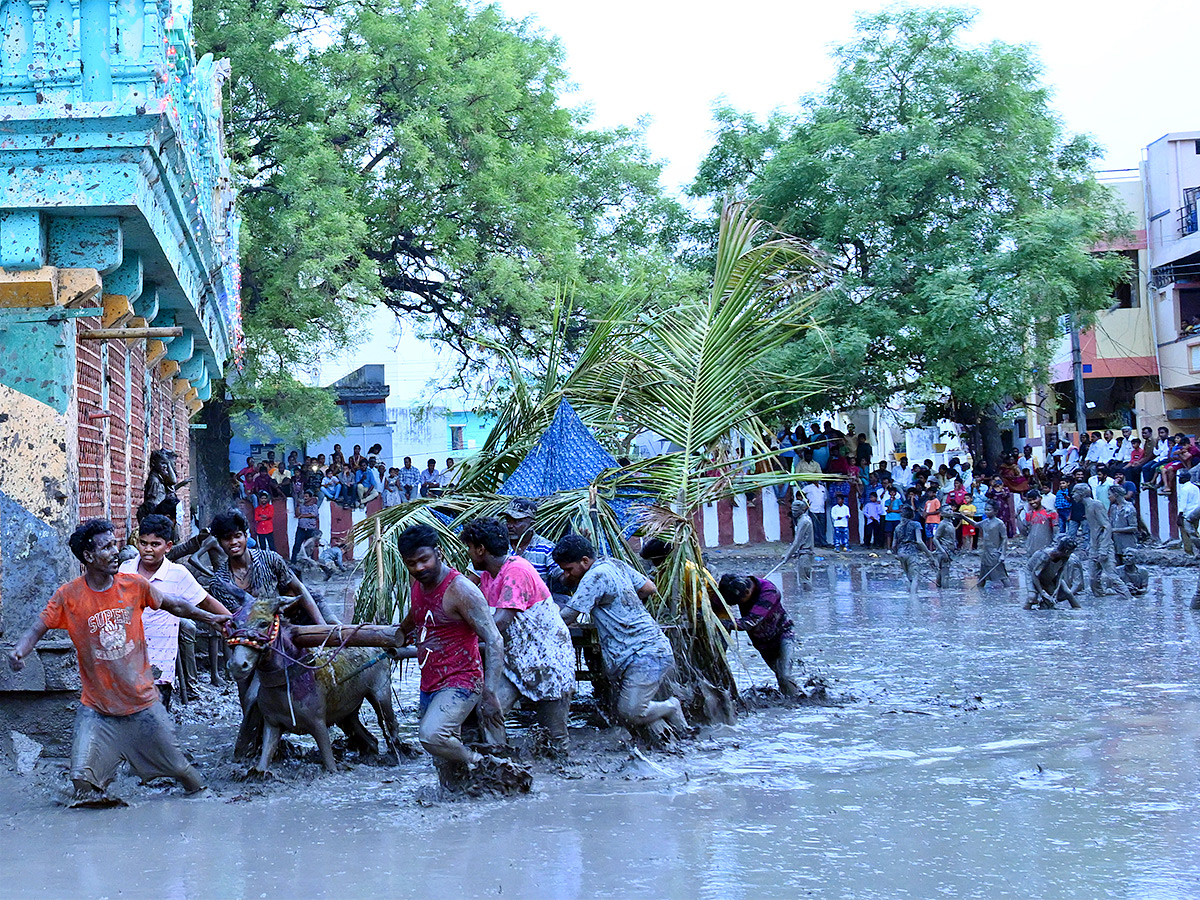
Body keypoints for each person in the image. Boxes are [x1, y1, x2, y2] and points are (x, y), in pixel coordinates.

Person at [7, 519, 231, 804]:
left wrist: (211, 618)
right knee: (82, 782)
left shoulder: (134, 585)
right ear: (88, 557)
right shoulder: (69, 596)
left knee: (183, 773)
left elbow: (174, 604)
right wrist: (20, 651)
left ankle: (206, 807)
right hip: (97, 708)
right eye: (108, 547)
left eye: (115, 544)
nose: (117, 552)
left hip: (143, 703)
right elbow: (38, 627)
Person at [395, 524, 525, 789]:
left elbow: (494, 639)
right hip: (430, 681)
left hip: (462, 681)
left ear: (439, 553)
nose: (419, 568)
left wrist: (490, 693)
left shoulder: (461, 590)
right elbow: (416, 614)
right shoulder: (418, 584)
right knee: (442, 761)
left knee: (431, 736)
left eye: (424, 560)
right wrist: (399, 633)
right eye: (412, 563)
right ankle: (464, 801)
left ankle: (482, 762)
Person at [553, 535, 688, 738]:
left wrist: (539, 620)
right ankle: (684, 737)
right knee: (638, 712)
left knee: (631, 711)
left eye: (569, 569)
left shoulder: (595, 576)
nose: (567, 575)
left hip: (643, 654)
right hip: (650, 648)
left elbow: (568, 616)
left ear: (584, 561)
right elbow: (648, 588)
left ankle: (672, 706)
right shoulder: (614, 563)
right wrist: (622, 606)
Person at [460, 517, 575, 757]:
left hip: (547, 658)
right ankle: (499, 760)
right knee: (490, 707)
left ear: (481, 549)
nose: (469, 554)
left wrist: (461, 638)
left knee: (555, 735)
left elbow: (500, 622)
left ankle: (564, 777)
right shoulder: (488, 575)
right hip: (517, 659)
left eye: (470, 548)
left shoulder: (516, 570)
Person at [117, 515, 232, 709]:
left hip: (159, 668)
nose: (148, 549)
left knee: (155, 724)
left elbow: (206, 602)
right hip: (127, 663)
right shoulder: (126, 569)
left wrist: (234, 623)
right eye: (143, 543)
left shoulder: (177, 574)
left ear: (168, 546)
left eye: (155, 544)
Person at [717, 574, 799, 696]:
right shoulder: (734, 585)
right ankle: (790, 699)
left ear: (746, 592)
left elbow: (748, 623)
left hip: (783, 634)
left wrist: (719, 622)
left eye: (738, 602)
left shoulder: (769, 592)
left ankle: (796, 704)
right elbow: (717, 600)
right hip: (762, 642)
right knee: (779, 675)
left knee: (785, 675)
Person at [1070, 483, 1132, 600]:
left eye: (1074, 492)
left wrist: (1103, 548)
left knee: (1112, 576)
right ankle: (1100, 602)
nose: (1072, 495)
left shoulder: (1096, 505)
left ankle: (1129, 599)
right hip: (1094, 546)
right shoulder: (1087, 507)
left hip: (1104, 545)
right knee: (1093, 578)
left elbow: (1107, 526)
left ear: (1082, 493)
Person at [502, 498, 565, 595]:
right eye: (508, 521)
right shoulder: (499, 545)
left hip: (537, 605)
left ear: (531, 524)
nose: (510, 526)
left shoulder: (546, 548)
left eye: (516, 521)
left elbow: (563, 577)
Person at [1025, 537, 1082, 610]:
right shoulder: (1046, 556)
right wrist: (1042, 593)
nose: (1071, 554)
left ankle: (1077, 610)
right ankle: (1026, 612)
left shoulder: (1065, 557)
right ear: (1066, 551)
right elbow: (1035, 575)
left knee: (1068, 593)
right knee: (1032, 596)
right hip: (1032, 573)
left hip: (1050, 574)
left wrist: (1056, 591)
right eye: (1071, 552)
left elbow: (1060, 574)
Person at [1107, 485, 1145, 595]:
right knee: (1117, 567)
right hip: (1115, 542)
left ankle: (1134, 587)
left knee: (1129, 565)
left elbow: (1134, 527)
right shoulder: (1114, 507)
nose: (1108, 497)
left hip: (1127, 542)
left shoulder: (1129, 508)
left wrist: (1115, 530)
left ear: (1116, 495)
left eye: (1110, 495)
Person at [782, 497, 815, 589]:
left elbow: (797, 542)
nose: (794, 513)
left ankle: (807, 601)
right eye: (793, 510)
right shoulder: (802, 519)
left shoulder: (804, 521)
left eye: (796, 511)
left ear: (802, 510)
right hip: (803, 553)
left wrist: (787, 556)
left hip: (806, 554)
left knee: (804, 580)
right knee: (804, 579)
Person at [1018, 489, 1058, 557]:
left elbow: (1056, 531)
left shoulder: (1051, 513)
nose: (1032, 502)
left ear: (1040, 498)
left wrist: (1054, 546)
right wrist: (1017, 516)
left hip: (1046, 549)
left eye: (1034, 499)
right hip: (1031, 549)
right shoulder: (1029, 514)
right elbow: (1024, 532)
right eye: (1029, 500)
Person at [977, 502, 1009, 587]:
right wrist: (963, 517)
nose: (986, 512)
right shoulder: (985, 522)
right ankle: (981, 596)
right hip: (985, 553)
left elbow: (1004, 538)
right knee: (982, 577)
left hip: (994, 553)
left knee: (1002, 576)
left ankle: (1010, 592)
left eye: (988, 510)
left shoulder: (999, 523)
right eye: (985, 510)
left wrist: (1003, 554)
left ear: (995, 511)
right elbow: (975, 524)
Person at [892, 506, 923, 589]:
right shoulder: (916, 525)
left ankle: (909, 597)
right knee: (915, 578)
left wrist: (896, 554)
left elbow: (893, 545)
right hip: (912, 553)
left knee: (908, 576)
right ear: (912, 515)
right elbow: (919, 541)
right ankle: (914, 599)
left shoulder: (897, 527)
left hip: (901, 553)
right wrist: (929, 554)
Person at [292, 490, 320, 563]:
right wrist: (298, 505)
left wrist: (302, 516)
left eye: (306, 496)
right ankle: (293, 562)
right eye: (304, 496)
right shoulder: (301, 506)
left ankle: (312, 562)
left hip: (311, 529)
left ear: (311, 498)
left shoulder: (314, 506)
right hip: (301, 528)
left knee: (310, 547)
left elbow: (313, 515)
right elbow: (297, 514)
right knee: (297, 545)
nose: (305, 498)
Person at [1177, 470, 1200, 557]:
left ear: (1185, 479)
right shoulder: (1195, 487)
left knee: (1185, 534)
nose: (1179, 480)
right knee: (1195, 532)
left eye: (1181, 478)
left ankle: (1188, 553)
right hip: (1195, 513)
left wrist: (1179, 516)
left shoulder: (1184, 489)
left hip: (1186, 515)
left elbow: (1183, 504)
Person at [803, 479, 828, 548]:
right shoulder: (809, 487)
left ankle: (823, 542)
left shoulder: (822, 488)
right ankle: (816, 542)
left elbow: (825, 498)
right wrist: (807, 501)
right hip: (813, 509)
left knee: (822, 527)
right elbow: (801, 493)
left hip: (821, 510)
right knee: (815, 527)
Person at [883, 484, 904, 551]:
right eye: (891, 492)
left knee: (897, 533)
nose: (892, 493)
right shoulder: (887, 501)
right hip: (889, 519)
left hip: (897, 518)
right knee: (889, 533)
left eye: (893, 492)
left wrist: (892, 510)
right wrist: (891, 502)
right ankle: (889, 548)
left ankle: (896, 547)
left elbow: (900, 510)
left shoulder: (898, 501)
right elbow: (888, 509)